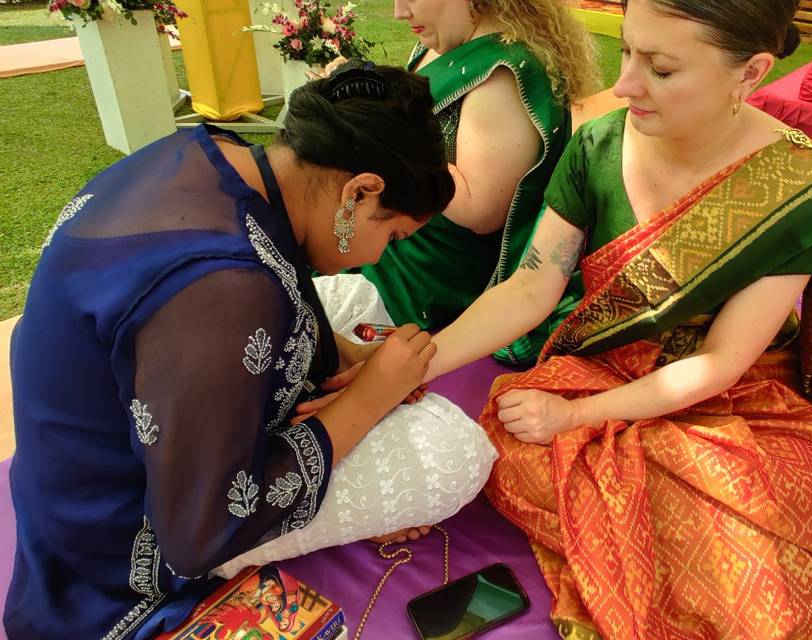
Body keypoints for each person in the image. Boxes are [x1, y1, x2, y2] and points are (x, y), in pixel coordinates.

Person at [307, 1, 812, 636]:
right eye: (626, 53)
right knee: (500, 445)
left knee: (779, 590)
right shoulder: (599, 144)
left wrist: (574, 416)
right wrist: (413, 364)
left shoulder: (792, 190)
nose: (623, 86)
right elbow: (534, 286)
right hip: (601, 364)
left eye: (662, 68)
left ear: (751, 71)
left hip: (730, 400)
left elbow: (721, 361)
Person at [4, 62, 497, 640]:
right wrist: (366, 399)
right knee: (454, 453)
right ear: (361, 191)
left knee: (355, 297)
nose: (381, 256)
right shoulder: (226, 294)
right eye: (391, 237)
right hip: (124, 546)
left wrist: (343, 359)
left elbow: (274, 272)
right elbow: (197, 535)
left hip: (103, 450)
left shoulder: (219, 151)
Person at [320, 0, 600, 365]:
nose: (398, 12)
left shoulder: (501, 77)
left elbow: (478, 210)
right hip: (391, 244)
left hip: (428, 284)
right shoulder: (441, 42)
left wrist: (374, 127)